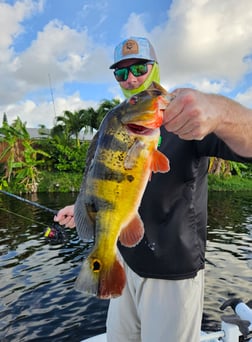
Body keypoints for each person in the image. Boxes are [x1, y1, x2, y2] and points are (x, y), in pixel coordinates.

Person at [54, 37, 252, 341]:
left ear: (155, 68)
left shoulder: (189, 114)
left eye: (139, 68)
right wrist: (83, 206)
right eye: (121, 73)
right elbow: (98, 174)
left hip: (172, 270)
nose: (131, 78)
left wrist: (220, 112)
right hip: (125, 259)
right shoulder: (113, 121)